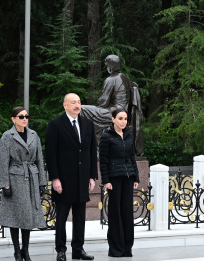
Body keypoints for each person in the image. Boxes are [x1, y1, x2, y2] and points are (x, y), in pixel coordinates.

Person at [45, 93, 98, 261]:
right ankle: (61, 250)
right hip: (64, 180)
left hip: (82, 179)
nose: (77, 105)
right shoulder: (55, 125)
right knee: (61, 218)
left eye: (79, 102)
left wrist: (92, 176)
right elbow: (50, 153)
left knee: (80, 217)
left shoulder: (88, 124)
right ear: (65, 105)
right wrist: (55, 178)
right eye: (73, 102)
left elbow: (91, 152)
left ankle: (78, 249)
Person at [0, 107, 47, 261]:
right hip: (15, 179)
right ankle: (16, 251)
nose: (25, 119)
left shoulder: (34, 135)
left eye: (27, 116)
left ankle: (25, 250)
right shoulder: (7, 136)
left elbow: (40, 159)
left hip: (31, 178)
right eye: (21, 116)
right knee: (15, 216)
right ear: (13, 119)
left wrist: (42, 182)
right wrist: (5, 184)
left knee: (28, 216)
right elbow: (3, 162)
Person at [80, 54, 145, 156]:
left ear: (110, 66)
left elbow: (102, 103)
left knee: (82, 109)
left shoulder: (111, 79)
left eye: (107, 65)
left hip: (114, 112)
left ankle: (96, 149)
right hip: (124, 112)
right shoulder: (125, 77)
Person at [99, 108, 140, 257]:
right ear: (113, 119)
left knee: (127, 212)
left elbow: (132, 158)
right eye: (120, 118)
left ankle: (127, 248)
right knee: (115, 213)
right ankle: (116, 248)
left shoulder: (129, 135)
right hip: (114, 179)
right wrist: (106, 181)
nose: (123, 121)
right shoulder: (106, 136)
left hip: (128, 177)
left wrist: (136, 177)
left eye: (125, 119)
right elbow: (103, 161)